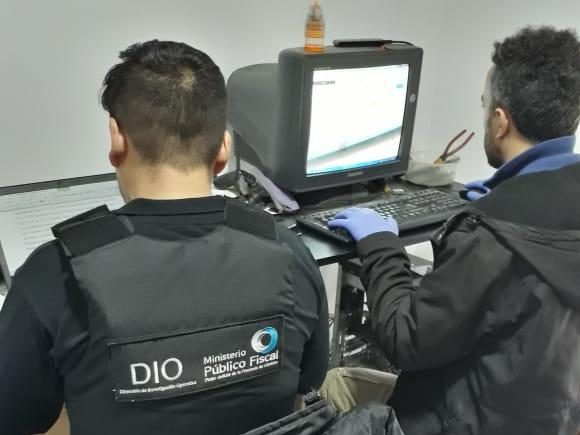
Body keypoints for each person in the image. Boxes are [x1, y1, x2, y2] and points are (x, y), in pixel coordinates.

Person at [0, 40, 329, 435]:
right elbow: (307, 385)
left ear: (117, 139)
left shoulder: (54, 274)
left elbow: (15, 419)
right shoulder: (289, 252)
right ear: (223, 149)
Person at [327, 26, 580, 435]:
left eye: (485, 106)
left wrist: (380, 245)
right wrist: (500, 197)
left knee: (334, 384)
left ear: (500, 122)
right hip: (551, 420)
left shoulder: (489, 235)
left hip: (456, 421)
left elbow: (405, 339)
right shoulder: (507, 219)